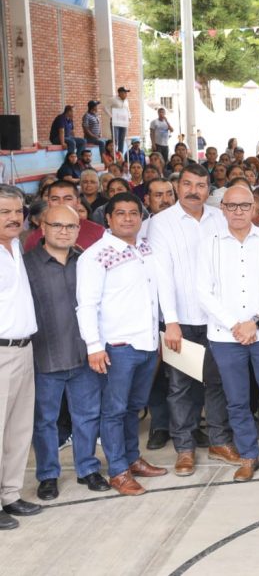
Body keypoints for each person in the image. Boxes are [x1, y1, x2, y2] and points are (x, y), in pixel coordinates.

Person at [148, 164, 240, 476]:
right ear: (178, 186)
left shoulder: (219, 217)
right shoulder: (161, 223)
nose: (193, 191)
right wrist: (171, 321)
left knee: (217, 382)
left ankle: (219, 441)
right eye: (187, 184)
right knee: (180, 386)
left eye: (201, 185)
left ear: (208, 189)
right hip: (182, 320)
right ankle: (184, 448)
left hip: (217, 320)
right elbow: (162, 275)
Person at [196, 185, 259, 482]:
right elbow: (203, 291)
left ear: (254, 209)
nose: (238, 211)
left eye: (244, 206)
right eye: (232, 206)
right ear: (222, 209)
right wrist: (235, 325)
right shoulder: (208, 244)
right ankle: (249, 456)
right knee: (236, 401)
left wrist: (255, 322)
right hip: (226, 337)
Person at [76, 192, 166, 496]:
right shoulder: (96, 256)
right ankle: (118, 470)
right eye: (121, 213)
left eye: (133, 213)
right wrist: (94, 346)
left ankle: (132, 458)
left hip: (147, 344)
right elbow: (86, 305)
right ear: (108, 218)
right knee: (114, 410)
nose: (128, 218)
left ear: (141, 218)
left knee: (134, 408)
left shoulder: (145, 249)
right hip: (117, 346)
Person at [26, 204, 109, 501]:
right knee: (45, 421)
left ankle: (88, 468)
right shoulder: (26, 265)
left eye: (71, 226)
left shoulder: (87, 261)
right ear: (43, 228)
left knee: (87, 416)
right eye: (57, 225)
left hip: (84, 355)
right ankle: (48, 475)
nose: (64, 231)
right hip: (45, 356)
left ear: (78, 229)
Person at [0, 185, 43, 529]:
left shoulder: (17, 246)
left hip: (24, 349)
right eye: (5, 212)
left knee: (18, 430)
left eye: (18, 211)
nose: (14, 218)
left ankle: (10, 495)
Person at [107, 86, 131, 154]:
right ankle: (113, 154)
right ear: (120, 93)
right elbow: (105, 107)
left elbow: (128, 110)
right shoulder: (113, 99)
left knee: (122, 139)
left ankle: (120, 154)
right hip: (115, 122)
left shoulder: (126, 101)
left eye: (126, 93)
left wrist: (129, 117)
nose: (126, 94)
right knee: (115, 139)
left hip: (123, 122)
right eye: (125, 93)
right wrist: (111, 115)